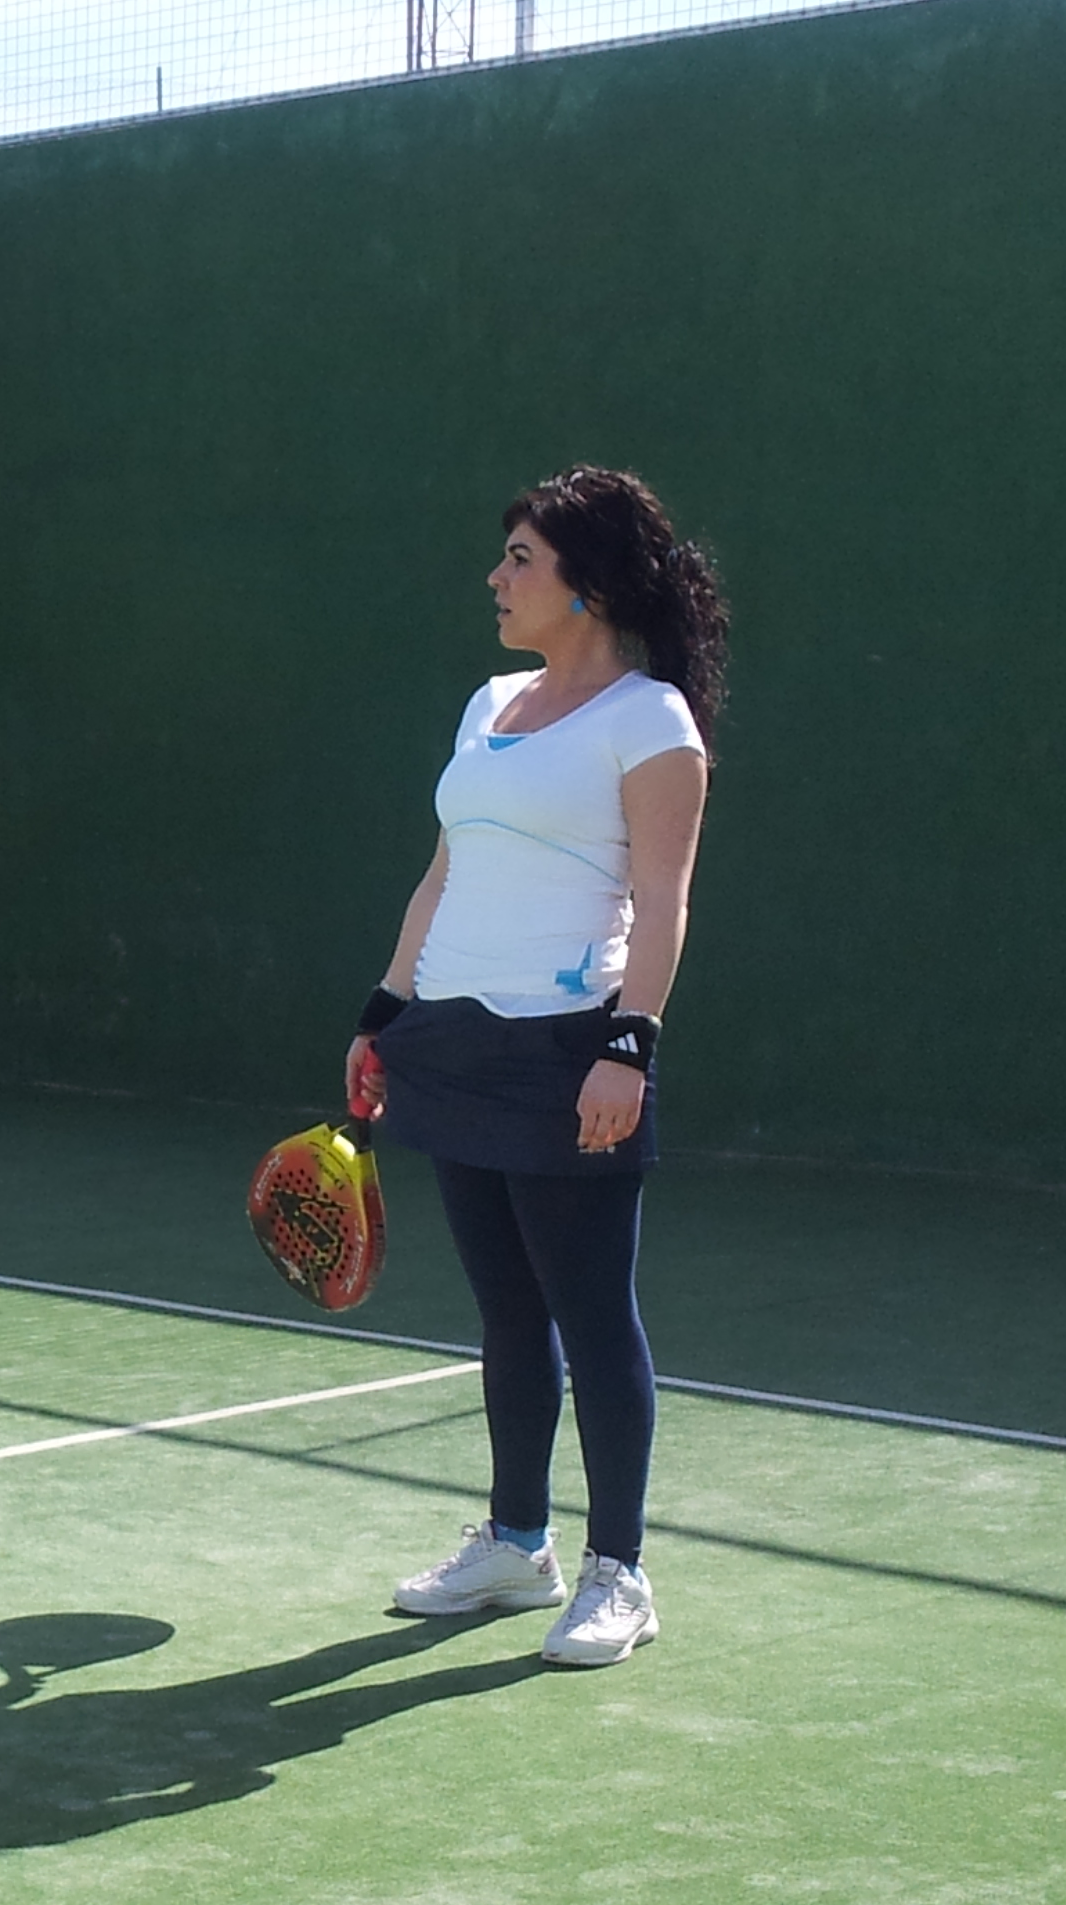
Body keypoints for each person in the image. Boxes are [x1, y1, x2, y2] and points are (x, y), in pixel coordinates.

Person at [347, 467, 727, 1666]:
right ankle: (518, 1544)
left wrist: (628, 1045)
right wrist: (385, 1011)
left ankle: (620, 1573)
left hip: (568, 1047)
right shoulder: (491, 704)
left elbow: (663, 900)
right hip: (452, 1036)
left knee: (592, 1315)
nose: (496, 578)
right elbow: (443, 872)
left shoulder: (650, 721)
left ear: (588, 584)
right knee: (507, 1310)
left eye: (521, 558)